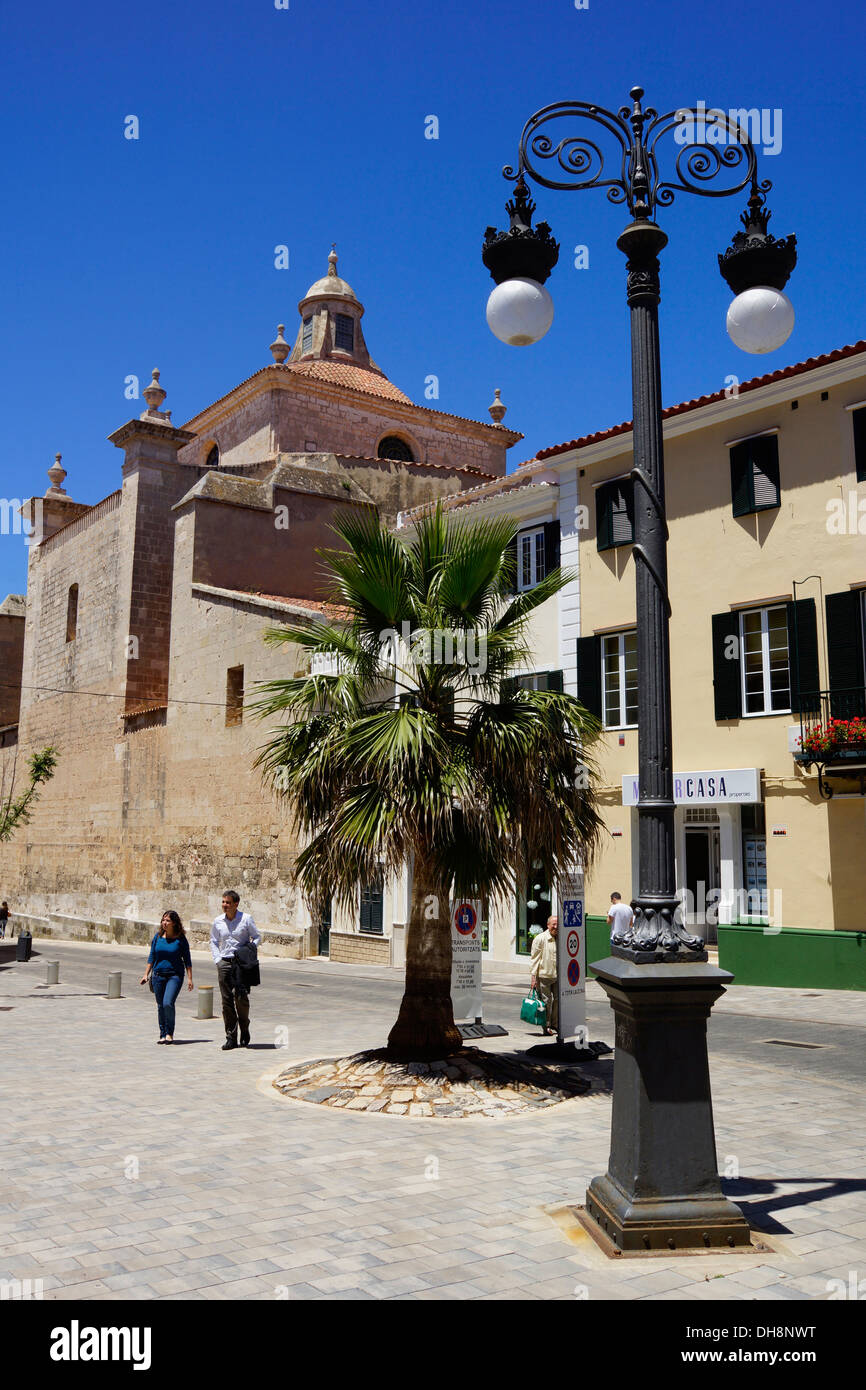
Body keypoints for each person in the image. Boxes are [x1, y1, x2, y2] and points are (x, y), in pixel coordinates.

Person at [210, 890, 261, 1051]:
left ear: (236, 904)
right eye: (223, 902)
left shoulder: (246, 919)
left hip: (240, 964)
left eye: (228, 903)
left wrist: (250, 950)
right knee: (226, 1002)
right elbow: (213, 941)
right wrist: (217, 960)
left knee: (241, 998)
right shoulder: (218, 921)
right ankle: (230, 1037)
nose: (225, 905)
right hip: (224, 963)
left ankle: (244, 1027)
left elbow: (257, 936)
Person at [140, 911, 193, 1044]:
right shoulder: (157, 937)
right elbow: (152, 956)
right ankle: (162, 1034)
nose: (164, 923)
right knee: (160, 1006)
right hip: (158, 975)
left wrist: (190, 979)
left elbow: (187, 960)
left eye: (168, 920)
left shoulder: (180, 939)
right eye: (163, 920)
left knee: (167, 1003)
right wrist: (146, 974)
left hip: (174, 976)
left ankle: (170, 1033)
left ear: (174, 923)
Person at [529, 915, 558, 1037]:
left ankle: (555, 1024)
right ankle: (546, 1026)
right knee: (546, 1002)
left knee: (558, 1000)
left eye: (557, 924)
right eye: (553, 924)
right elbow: (534, 959)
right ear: (548, 925)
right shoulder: (540, 939)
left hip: (557, 976)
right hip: (544, 975)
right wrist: (533, 977)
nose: (556, 927)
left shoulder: (560, 938)